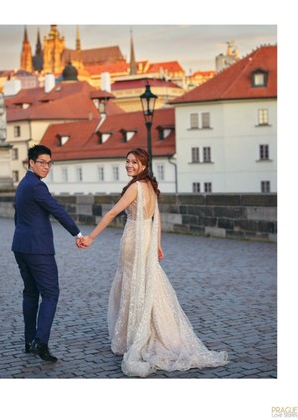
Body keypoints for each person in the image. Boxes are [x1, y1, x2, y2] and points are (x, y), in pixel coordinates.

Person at [80, 148, 228, 377]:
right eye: (127, 161)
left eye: (134, 162)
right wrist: (157, 244)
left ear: (143, 165)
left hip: (133, 240)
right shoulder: (151, 186)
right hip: (146, 239)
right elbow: (156, 217)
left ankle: (135, 334)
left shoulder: (136, 187)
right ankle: (146, 328)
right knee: (145, 282)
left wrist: (90, 237)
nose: (129, 165)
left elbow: (111, 214)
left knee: (132, 283)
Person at [11, 144, 85, 362]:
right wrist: (77, 233)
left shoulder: (24, 184)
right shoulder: (37, 186)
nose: (46, 167)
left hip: (21, 246)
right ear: (31, 163)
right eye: (42, 162)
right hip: (38, 249)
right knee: (51, 293)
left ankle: (29, 340)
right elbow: (57, 210)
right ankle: (40, 343)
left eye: (49, 163)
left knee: (31, 293)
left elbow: (18, 218)